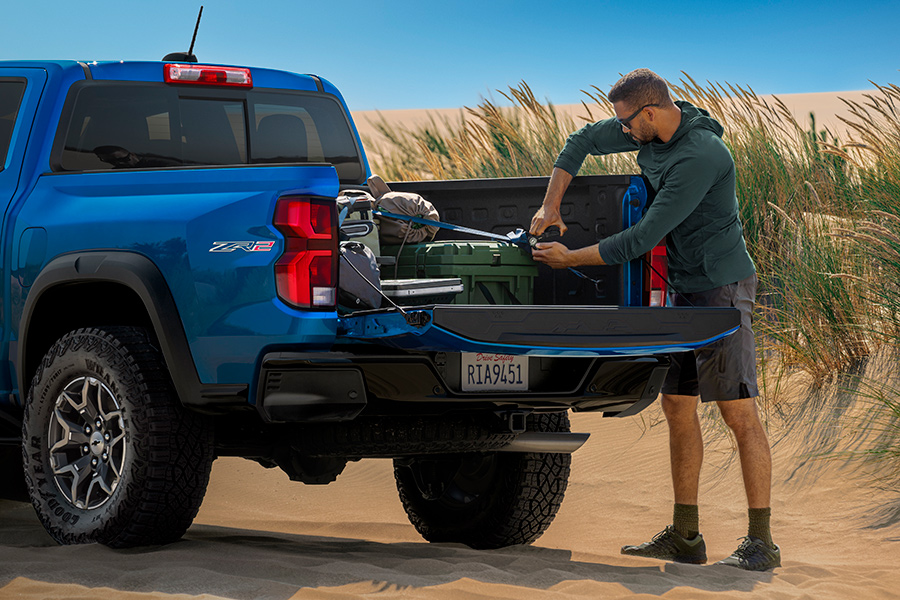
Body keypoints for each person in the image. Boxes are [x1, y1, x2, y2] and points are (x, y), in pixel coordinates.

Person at [529, 68, 780, 571]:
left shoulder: (700, 156)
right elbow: (579, 141)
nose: (620, 130)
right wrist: (550, 204)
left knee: (737, 412)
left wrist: (569, 258)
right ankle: (686, 535)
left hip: (722, 290)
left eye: (626, 122)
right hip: (683, 289)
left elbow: (641, 238)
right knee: (678, 406)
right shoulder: (642, 129)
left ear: (650, 112)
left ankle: (762, 543)